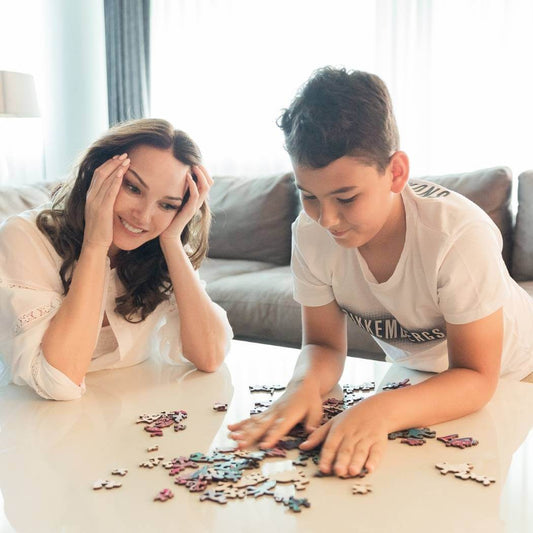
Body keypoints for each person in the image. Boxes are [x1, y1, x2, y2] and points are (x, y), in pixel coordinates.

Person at [228, 67, 533, 477]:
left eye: (346, 197)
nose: (327, 220)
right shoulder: (310, 231)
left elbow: (477, 376)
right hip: (420, 378)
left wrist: (377, 410)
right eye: (309, 196)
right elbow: (322, 344)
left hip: (516, 379)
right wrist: (302, 387)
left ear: (396, 172)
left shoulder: (458, 235)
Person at [0, 118, 233, 400]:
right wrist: (96, 245)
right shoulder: (24, 237)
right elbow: (58, 382)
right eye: (133, 188)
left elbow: (210, 357)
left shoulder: (157, 250)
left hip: (127, 414)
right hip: (36, 423)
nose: (143, 216)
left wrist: (172, 242)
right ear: (97, 173)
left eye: (167, 205)